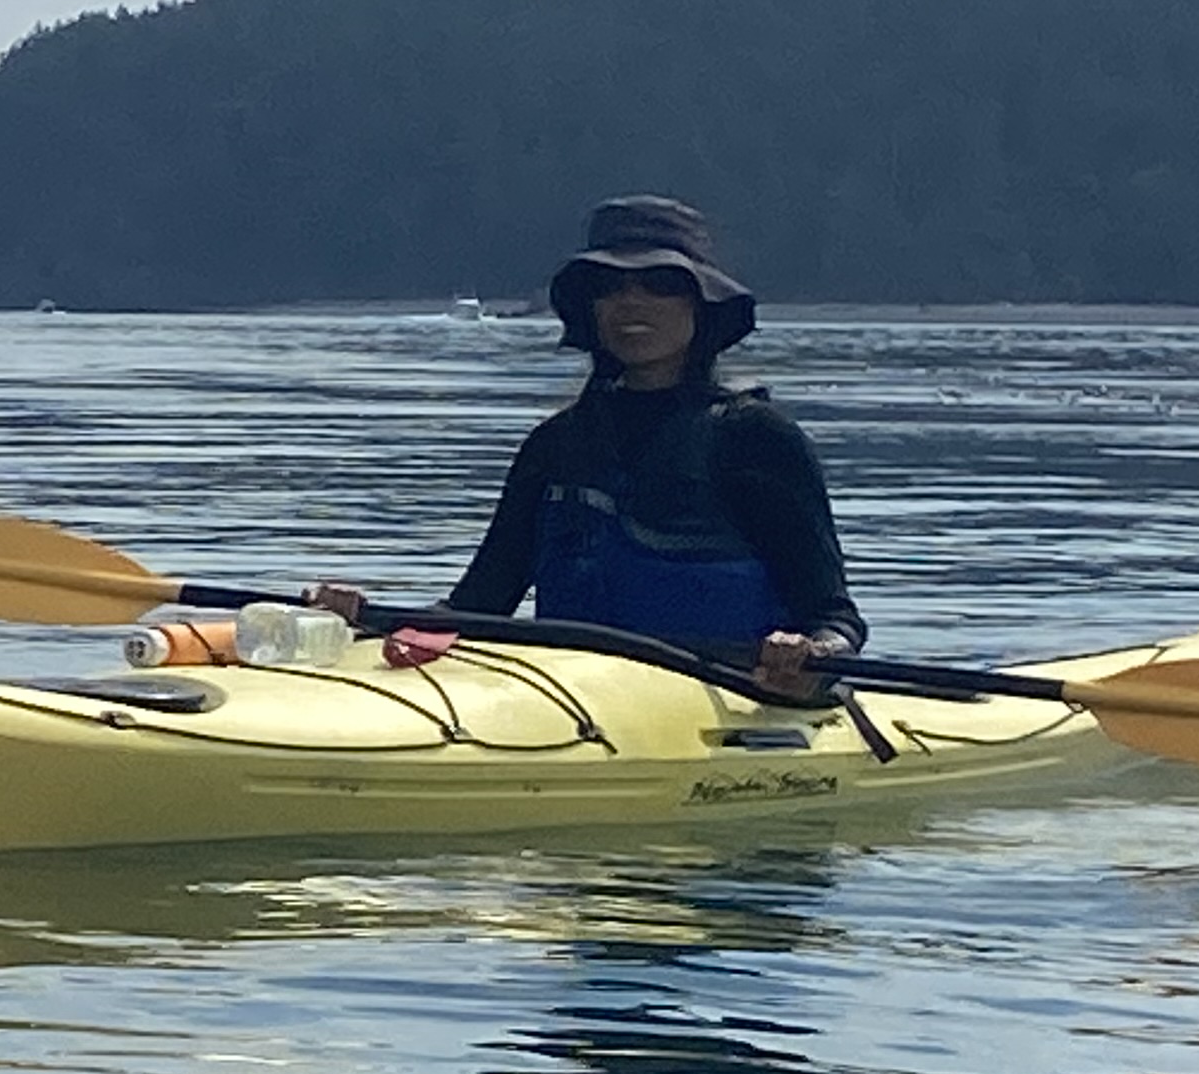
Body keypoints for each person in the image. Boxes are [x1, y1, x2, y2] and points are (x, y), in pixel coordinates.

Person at [314, 195, 864, 701]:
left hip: (731, 700)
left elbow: (835, 618)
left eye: (659, 283)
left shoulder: (756, 438)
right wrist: (364, 619)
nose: (631, 301)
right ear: (590, 308)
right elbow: (477, 607)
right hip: (573, 703)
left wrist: (812, 653)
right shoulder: (554, 446)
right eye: (609, 286)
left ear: (701, 304)